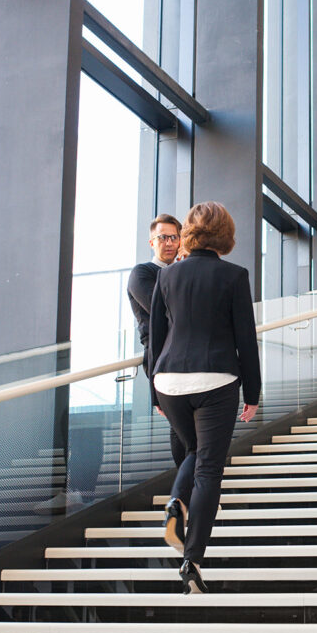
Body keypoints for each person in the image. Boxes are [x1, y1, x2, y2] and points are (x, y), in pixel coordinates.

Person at [148, 201, 260, 594]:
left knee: (195, 450)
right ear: (226, 234)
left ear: (189, 234)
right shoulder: (234, 276)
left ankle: (176, 501)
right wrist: (254, 391)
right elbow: (246, 339)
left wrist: (154, 393)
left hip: (169, 381)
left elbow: (156, 340)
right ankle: (191, 560)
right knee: (209, 468)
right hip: (215, 380)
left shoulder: (168, 277)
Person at [125, 214, 192, 508]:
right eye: (163, 237)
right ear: (152, 242)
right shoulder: (143, 273)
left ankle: (194, 491)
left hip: (191, 354)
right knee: (180, 427)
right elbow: (166, 310)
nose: (169, 243)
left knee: (196, 429)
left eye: (174, 237)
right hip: (163, 358)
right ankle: (185, 494)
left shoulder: (184, 270)